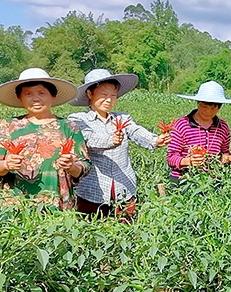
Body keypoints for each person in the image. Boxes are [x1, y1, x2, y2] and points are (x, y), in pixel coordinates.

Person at [0, 68, 91, 292]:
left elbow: (84, 166)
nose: (35, 98)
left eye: (41, 92)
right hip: (19, 209)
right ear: (19, 98)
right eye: (28, 93)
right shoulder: (10, 127)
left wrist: (72, 166)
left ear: (53, 97)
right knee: (24, 268)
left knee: (58, 266)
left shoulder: (69, 127)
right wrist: (6, 165)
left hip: (59, 206)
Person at [68, 69, 171, 218]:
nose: (109, 100)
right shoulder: (78, 119)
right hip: (92, 189)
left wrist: (155, 140)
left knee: (126, 228)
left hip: (124, 186)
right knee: (92, 231)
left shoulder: (122, 118)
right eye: (103, 95)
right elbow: (87, 138)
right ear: (90, 94)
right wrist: (111, 140)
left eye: (113, 95)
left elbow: (135, 131)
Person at [166, 81, 231, 182]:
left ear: (219, 107)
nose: (208, 111)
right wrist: (188, 161)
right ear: (198, 103)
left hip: (212, 181)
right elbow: (171, 158)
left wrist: (230, 158)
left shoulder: (223, 127)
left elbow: (224, 154)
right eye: (204, 106)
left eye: (213, 108)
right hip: (183, 179)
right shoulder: (182, 124)